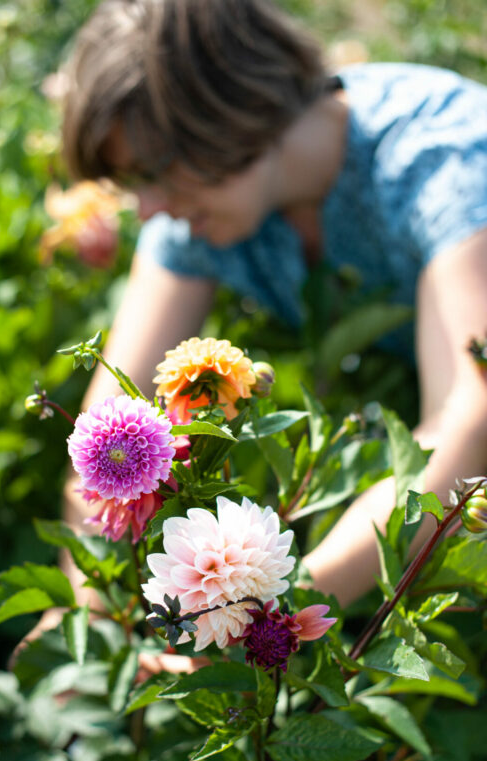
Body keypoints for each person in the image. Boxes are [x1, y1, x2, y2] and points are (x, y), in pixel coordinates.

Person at [33, 0, 487, 644]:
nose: (147, 209)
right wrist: (86, 618)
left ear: (229, 117)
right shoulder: (203, 207)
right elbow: (103, 439)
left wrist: (269, 621)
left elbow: (466, 427)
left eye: (151, 173)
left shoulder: (443, 163)